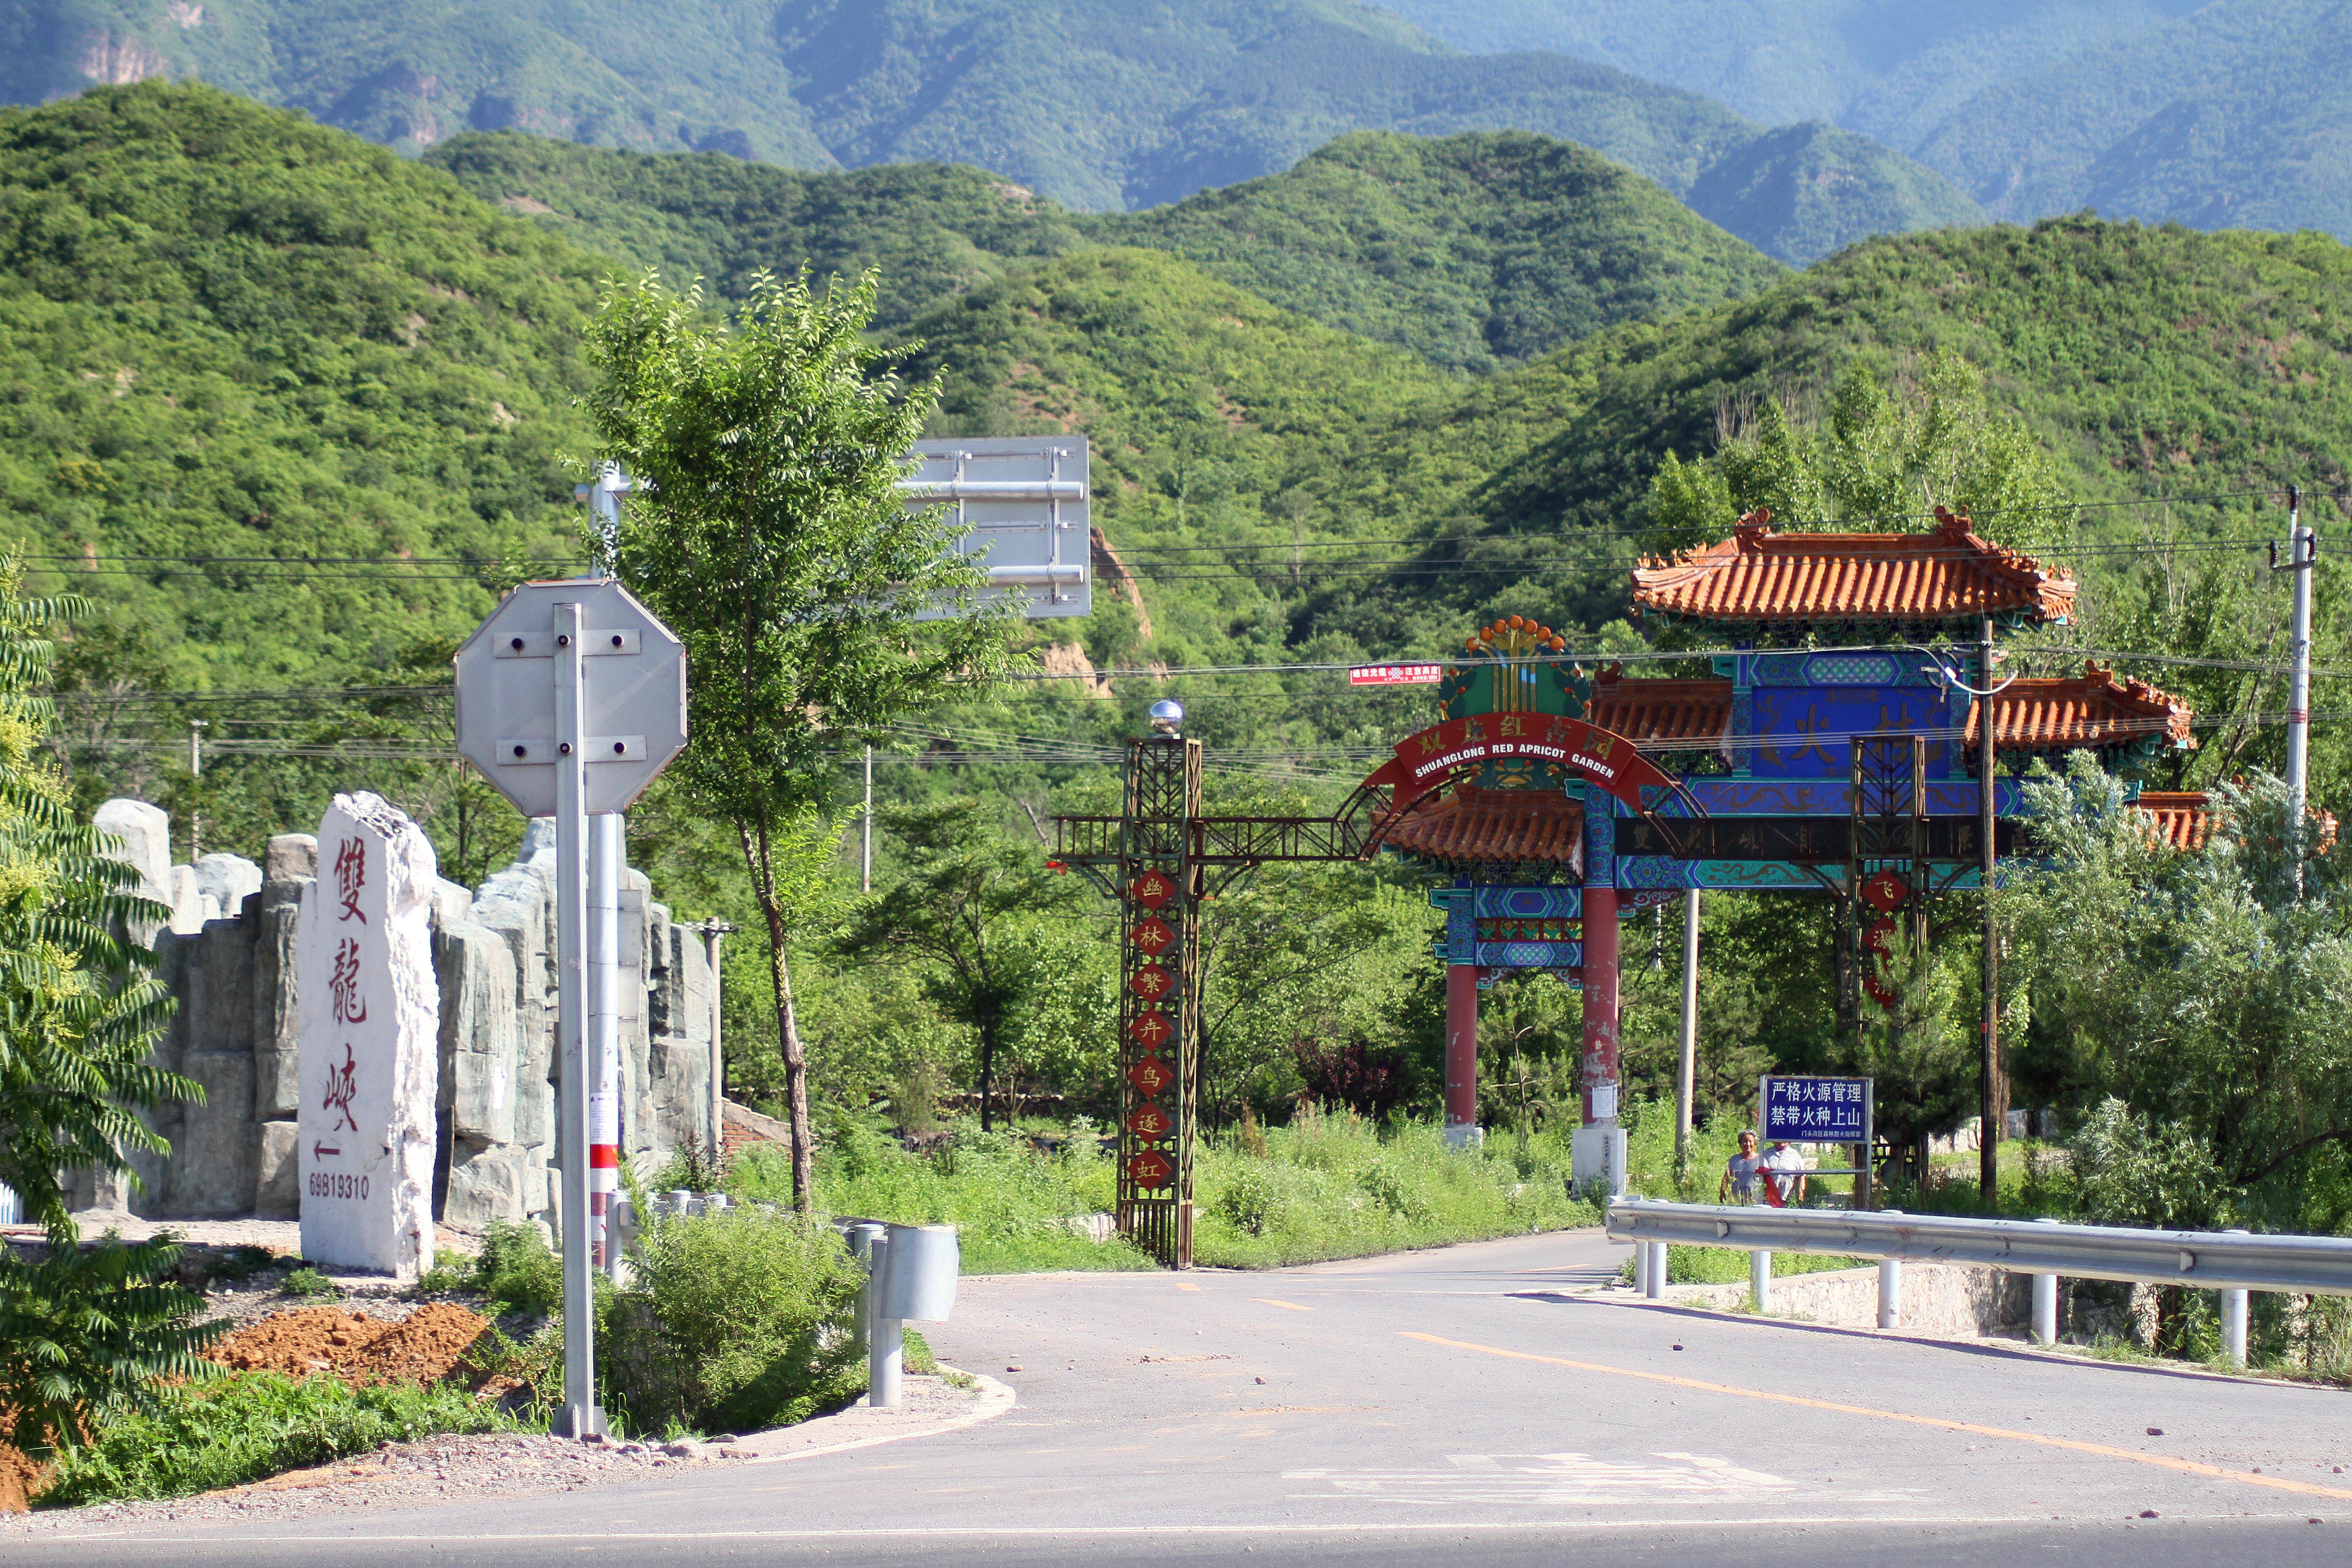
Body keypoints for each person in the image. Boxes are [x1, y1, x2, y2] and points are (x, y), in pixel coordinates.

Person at [1720, 1129, 1765, 1202]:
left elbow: (1768, 1180)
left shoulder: (1761, 1160)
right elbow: (1726, 1178)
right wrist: (1722, 1192)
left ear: (1755, 1143)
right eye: (1745, 1141)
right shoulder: (1734, 1160)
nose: (1748, 1144)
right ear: (1740, 1143)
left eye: (1750, 1142)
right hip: (1737, 1201)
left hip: (1755, 1201)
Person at [1764, 1139, 1809, 1205]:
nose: (1781, 1141)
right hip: (1769, 1199)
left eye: (1783, 1138)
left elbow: (1801, 1176)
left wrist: (1801, 1195)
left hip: (1787, 1199)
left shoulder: (1795, 1155)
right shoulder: (1767, 1154)